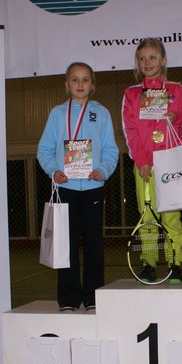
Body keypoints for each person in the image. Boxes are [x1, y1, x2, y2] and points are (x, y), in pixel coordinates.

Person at [37, 62, 119, 312]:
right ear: (67, 84)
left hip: (93, 186)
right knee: (66, 245)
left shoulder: (102, 113)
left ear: (92, 85)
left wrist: (103, 170)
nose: (80, 84)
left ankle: (93, 297)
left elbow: (111, 150)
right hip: (65, 187)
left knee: (94, 244)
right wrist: (54, 171)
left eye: (85, 79)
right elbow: (44, 150)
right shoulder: (57, 114)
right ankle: (69, 298)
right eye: (75, 79)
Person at [122, 37, 182, 284]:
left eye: (153, 57)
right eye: (142, 58)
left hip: (171, 164)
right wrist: (141, 160)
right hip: (145, 166)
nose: (148, 62)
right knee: (147, 217)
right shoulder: (132, 94)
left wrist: (177, 116)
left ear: (163, 60)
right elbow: (129, 130)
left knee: (171, 218)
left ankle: (175, 263)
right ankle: (148, 264)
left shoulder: (176, 90)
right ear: (137, 63)